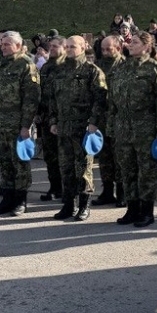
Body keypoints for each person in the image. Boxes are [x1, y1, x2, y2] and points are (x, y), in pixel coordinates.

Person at [107, 31, 157, 227]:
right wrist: (111, 127)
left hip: (146, 129)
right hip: (123, 129)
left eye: (135, 42)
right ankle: (132, 208)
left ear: (146, 46)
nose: (130, 44)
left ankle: (146, 210)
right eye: (130, 41)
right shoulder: (121, 69)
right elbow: (112, 101)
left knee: (146, 171)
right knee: (127, 170)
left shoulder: (155, 69)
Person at [48, 35, 107, 221]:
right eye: (67, 46)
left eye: (73, 46)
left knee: (83, 169)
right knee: (65, 168)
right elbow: (53, 100)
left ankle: (84, 205)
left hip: (83, 129)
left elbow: (100, 100)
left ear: (83, 47)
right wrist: (53, 121)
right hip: (64, 128)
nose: (69, 49)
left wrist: (93, 123)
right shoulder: (59, 71)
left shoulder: (92, 71)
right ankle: (68, 205)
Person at [0, 31, 41, 217]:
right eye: (3, 44)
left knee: (20, 164)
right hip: (0, 124)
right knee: (4, 163)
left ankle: (20, 200)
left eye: (8, 44)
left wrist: (26, 126)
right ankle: (7, 198)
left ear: (18, 46)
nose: (3, 47)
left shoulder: (26, 65)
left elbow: (31, 99)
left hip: (17, 125)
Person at [92, 34, 125, 207]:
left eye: (108, 49)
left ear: (118, 48)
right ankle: (107, 191)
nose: (105, 52)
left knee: (119, 157)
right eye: (103, 49)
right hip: (103, 118)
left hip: (119, 119)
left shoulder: (124, 66)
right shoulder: (97, 67)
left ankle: (122, 192)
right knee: (104, 157)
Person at [37, 36, 66, 202]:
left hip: (63, 118)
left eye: (56, 46)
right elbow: (40, 92)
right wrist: (38, 112)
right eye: (51, 47)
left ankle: (66, 188)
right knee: (50, 155)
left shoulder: (66, 66)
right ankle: (54, 187)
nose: (53, 49)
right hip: (47, 118)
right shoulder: (46, 67)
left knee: (64, 155)